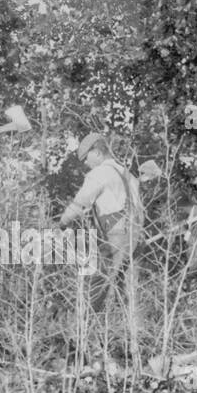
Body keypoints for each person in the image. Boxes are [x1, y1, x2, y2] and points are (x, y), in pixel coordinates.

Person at [58, 132, 143, 312]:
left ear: (97, 152)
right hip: (136, 236)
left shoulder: (99, 173)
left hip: (115, 236)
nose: (86, 164)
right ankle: (135, 335)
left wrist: (61, 223)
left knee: (96, 288)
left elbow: (79, 204)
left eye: (86, 158)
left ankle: (89, 332)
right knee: (130, 292)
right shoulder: (129, 175)